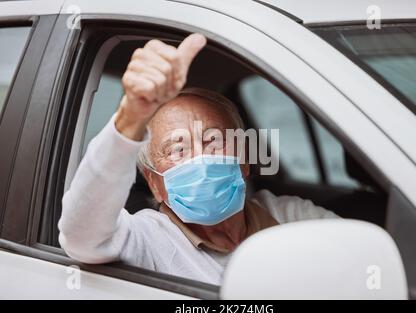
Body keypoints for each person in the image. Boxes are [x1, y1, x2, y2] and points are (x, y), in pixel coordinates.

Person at [58, 33, 338, 285]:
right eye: (177, 150)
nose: (201, 158)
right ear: (156, 184)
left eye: (213, 140)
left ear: (245, 159)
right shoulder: (148, 238)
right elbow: (81, 235)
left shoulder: (288, 215)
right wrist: (131, 115)